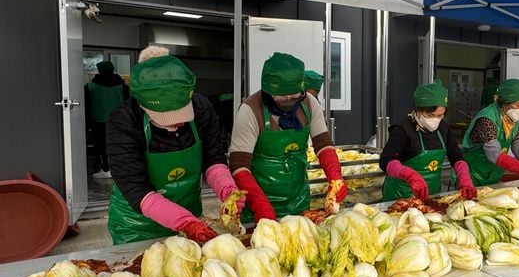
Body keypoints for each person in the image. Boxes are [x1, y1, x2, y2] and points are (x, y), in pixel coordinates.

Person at [106, 54, 242, 245]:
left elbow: (213, 159)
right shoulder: (124, 122)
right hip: (137, 226)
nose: (178, 122)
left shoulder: (202, 109)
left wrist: (227, 188)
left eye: (182, 113)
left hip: (190, 213)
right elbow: (135, 187)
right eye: (166, 117)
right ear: (142, 105)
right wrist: (184, 223)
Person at [229, 52, 347, 221]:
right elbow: (239, 165)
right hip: (259, 202)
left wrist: (335, 176)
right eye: (284, 97)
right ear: (268, 91)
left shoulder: (309, 103)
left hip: (299, 201)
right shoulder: (250, 110)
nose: (290, 100)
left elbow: (323, 144)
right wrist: (259, 204)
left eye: (295, 96)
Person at [379, 82, 477, 201]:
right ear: (418, 109)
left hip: (431, 194)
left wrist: (465, 178)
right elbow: (385, 160)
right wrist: (409, 175)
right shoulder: (403, 129)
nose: (435, 120)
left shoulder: (443, 128)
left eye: (440, 115)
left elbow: (456, 157)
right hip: (400, 196)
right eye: (430, 115)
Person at [460, 79, 519, 186]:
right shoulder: (487, 119)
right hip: (472, 176)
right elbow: (495, 155)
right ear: (505, 101)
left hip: (492, 175)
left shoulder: (510, 118)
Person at [85, 60, 129, 179]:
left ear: (99, 70)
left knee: (101, 145)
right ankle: (118, 168)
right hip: (119, 121)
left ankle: (105, 168)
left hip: (99, 121)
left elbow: (87, 107)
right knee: (118, 145)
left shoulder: (91, 86)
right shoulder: (122, 86)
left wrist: (87, 124)